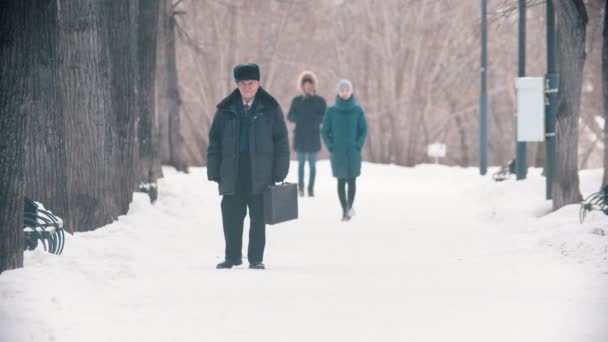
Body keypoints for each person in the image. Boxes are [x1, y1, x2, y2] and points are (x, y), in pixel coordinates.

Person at [207, 64, 290, 270]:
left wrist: (280, 171)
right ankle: (232, 257)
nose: (247, 87)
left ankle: (256, 258)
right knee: (231, 215)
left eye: (251, 83)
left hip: (261, 171)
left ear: (258, 83)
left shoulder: (270, 108)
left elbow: (281, 141)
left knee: (258, 216)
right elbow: (214, 141)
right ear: (237, 84)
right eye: (243, 84)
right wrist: (214, 170)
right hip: (233, 170)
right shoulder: (225, 109)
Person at [321, 80, 368, 221]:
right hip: (338, 152)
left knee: (352, 180)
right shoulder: (331, 111)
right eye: (342, 90)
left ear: (351, 91)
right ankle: (344, 210)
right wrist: (331, 146)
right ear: (338, 92)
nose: (345, 92)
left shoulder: (358, 111)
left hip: (353, 152)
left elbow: (363, 130)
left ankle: (349, 206)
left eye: (347, 90)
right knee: (341, 181)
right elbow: (324, 131)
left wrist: (358, 145)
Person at [287, 71, 327, 197]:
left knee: (313, 165)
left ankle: (311, 188)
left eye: (310, 84)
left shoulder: (319, 101)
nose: (308, 86)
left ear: (314, 85)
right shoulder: (297, 100)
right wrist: (299, 118)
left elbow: (325, 117)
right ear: (302, 86)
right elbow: (290, 116)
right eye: (306, 84)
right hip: (300, 137)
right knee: (301, 164)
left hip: (314, 136)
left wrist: (315, 119)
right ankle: (301, 188)